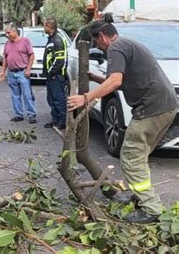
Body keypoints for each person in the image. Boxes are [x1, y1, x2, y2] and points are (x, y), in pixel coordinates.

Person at [67, 14, 177, 224]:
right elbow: (122, 78)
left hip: (152, 108)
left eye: (97, 43)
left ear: (102, 36)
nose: (98, 48)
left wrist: (86, 97)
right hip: (166, 105)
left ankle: (151, 208)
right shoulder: (127, 44)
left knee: (130, 155)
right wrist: (95, 78)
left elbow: (116, 81)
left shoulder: (116, 48)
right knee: (140, 154)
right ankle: (142, 196)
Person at [0, 24, 37, 123]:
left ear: (15, 31)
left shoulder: (25, 41)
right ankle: (18, 114)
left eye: (8, 32)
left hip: (22, 72)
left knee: (27, 94)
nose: (7, 35)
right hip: (11, 73)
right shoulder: (7, 44)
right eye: (5, 33)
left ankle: (32, 114)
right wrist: (3, 72)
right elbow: (5, 58)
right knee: (15, 95)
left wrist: (28, 69)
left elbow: (31, 55)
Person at [42, 18, 68, 129]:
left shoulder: (57, 40)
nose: (44, 28)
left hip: (56, 76)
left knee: (58, 98)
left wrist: (51, 72)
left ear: (48, 26)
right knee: (51, 98)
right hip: (51, 75)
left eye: (44, 26)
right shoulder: (52, 39)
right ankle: (55, 120)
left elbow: (59, 60)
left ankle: (62, 121)